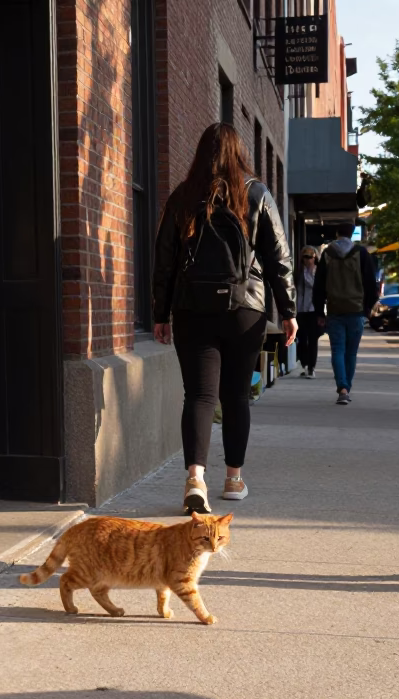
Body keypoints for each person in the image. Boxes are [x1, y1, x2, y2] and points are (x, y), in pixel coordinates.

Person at [152, 123, 297, 515]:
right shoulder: (255, 193)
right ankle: (233, 479)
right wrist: (288, 311)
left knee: (198, 396)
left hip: (191, 308)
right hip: (245, 310)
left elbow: (164, 260)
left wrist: (159, 313)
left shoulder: (183, 196)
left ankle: (195, 478)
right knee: (235, 396)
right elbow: (278, 258)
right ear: (238, 152)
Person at [312, 224, 379, 404]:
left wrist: (319, 311)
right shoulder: (361, 253)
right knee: (351, 353)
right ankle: (346, 388)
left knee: (337, 350)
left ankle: (342, 387)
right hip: (356, 310)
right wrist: (367, 309)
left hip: (334, 309)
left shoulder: (327, 254)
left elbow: (318, 286)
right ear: (352, 234)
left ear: (336, 234)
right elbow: (371, 284)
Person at [295, 246, 321, 378]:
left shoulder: (317, 272)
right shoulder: (298, 271)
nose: (307, 260)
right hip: (300, 309)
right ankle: (304, 364)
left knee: (312, 340)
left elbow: (316, 287)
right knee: (301, 339)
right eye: (305, 257)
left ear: (315, 258)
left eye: (310, 257)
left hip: (313, 309)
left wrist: (309, 273)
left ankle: (311, 367)